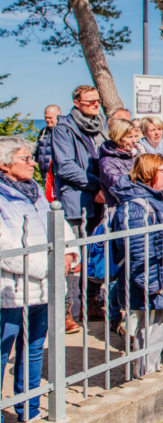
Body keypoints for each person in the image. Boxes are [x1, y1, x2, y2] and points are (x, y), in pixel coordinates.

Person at [0, 136, 79, 419]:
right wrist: (50, 267)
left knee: (32, 351)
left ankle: (28, 410)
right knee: (2, 352)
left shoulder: (34, 190)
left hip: (41, 291)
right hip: (10, 291)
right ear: (4, 164)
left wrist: (69, 254)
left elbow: (59, 225)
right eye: (25, 159)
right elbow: (6, 249)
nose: (33, 163)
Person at [109, 154, 163, 377]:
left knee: (159, 330)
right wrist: (152, 283)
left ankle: (150, 370)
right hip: (156, 281)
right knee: (151, 331)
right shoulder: (137, 206)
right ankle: (145, 376)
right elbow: (137, 250)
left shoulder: (157, 199)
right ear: (149, 173)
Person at [52, 84, 106, 329]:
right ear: (77, 103)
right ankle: (63, 311)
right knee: (69, 259)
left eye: (97, 101)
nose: (96, 105)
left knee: (95, 254)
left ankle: (91, 303)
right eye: (90, 102)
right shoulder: (64, 129)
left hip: (99, 201)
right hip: (76, 201)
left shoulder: (100, 125)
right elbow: (65, 167)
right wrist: (97, 185)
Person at [99, 118, 139, 209]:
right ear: (118, 137)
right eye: (129, 137)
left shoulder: (136, 155)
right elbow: (121, 188)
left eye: (135, 136)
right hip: (121, 209)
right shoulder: (107, 162)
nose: (134, 141)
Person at [35, 104, 61, 174]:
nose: (47, 120)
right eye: (46, 117)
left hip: (58, 174)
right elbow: (37, 150)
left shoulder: (64, 132)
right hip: (44, 174)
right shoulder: (43, 131)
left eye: (50, 118)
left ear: (59, 116)